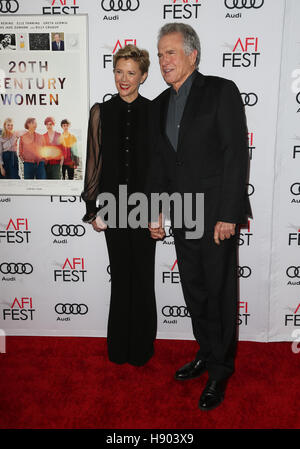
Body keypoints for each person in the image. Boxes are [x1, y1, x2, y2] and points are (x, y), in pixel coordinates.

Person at [148, 23, 251, 411]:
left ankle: (222, 370)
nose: (163, 61)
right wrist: (154, 210)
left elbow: (235, 154)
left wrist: (229, 213)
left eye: (170, 52)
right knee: (195, 291)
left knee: (220, 292)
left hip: (215, 217)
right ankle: (206, 353)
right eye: (159, 55)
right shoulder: (159, 103)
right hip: (181, 214)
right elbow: (160, 164)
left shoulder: (221, 91)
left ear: (192, 54)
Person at [82, 45, 157, 366]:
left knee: (143, 275)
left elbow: (160, 166)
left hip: (145, 205)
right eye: (118, 72)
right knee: (122, 276)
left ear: (143, 76)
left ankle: (141, 348)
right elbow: (94, 161)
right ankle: (119, 347)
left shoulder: (155, 111)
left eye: (130, 73)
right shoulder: (101, 111)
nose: (123, 79)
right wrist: (92, 207)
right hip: (111, 205)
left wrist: (159, 212)